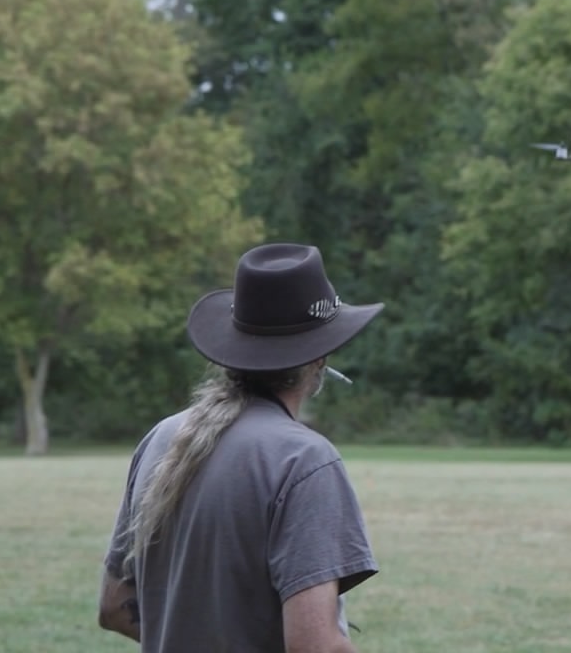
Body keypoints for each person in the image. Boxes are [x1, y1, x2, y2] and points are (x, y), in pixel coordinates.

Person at [97, 242, 384, 653]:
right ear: (320, 358)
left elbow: (115, 607)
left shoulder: (162, 437)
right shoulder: (304, 460)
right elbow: (314, 646)